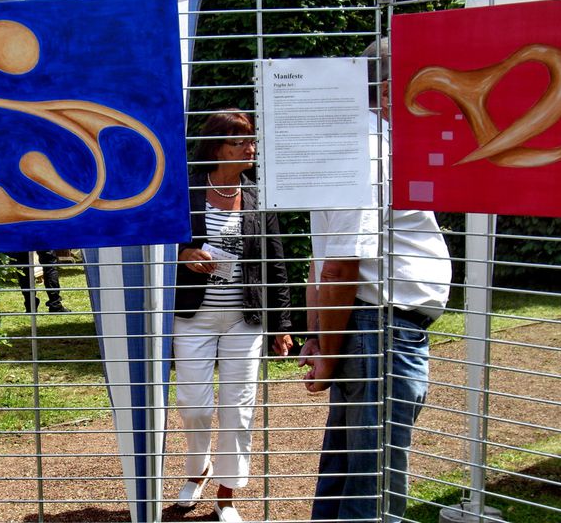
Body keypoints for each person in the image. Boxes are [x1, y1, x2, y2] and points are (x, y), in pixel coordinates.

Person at [299, 39, 452, 522]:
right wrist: (325, 347)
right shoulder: (368, 151)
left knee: (352, 469)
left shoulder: (356, 144)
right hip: (379, 330)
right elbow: (340, 263)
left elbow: (323, 256)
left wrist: (321, 337)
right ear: (389, 91)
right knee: (374, 481)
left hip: (367, 326)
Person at [173, 109, 294, 523]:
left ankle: (226, 495)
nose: (250, 147)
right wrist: (183, 255)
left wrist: (282, 325)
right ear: (216, 148)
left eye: (252, 140)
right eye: (239, 141)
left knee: (238, 409)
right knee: (194, 406)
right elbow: (158, 249)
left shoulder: (260, 196)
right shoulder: (184, 192)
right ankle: (198, 469)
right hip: (193, 317)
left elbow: (275, 261)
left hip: (246, 320)